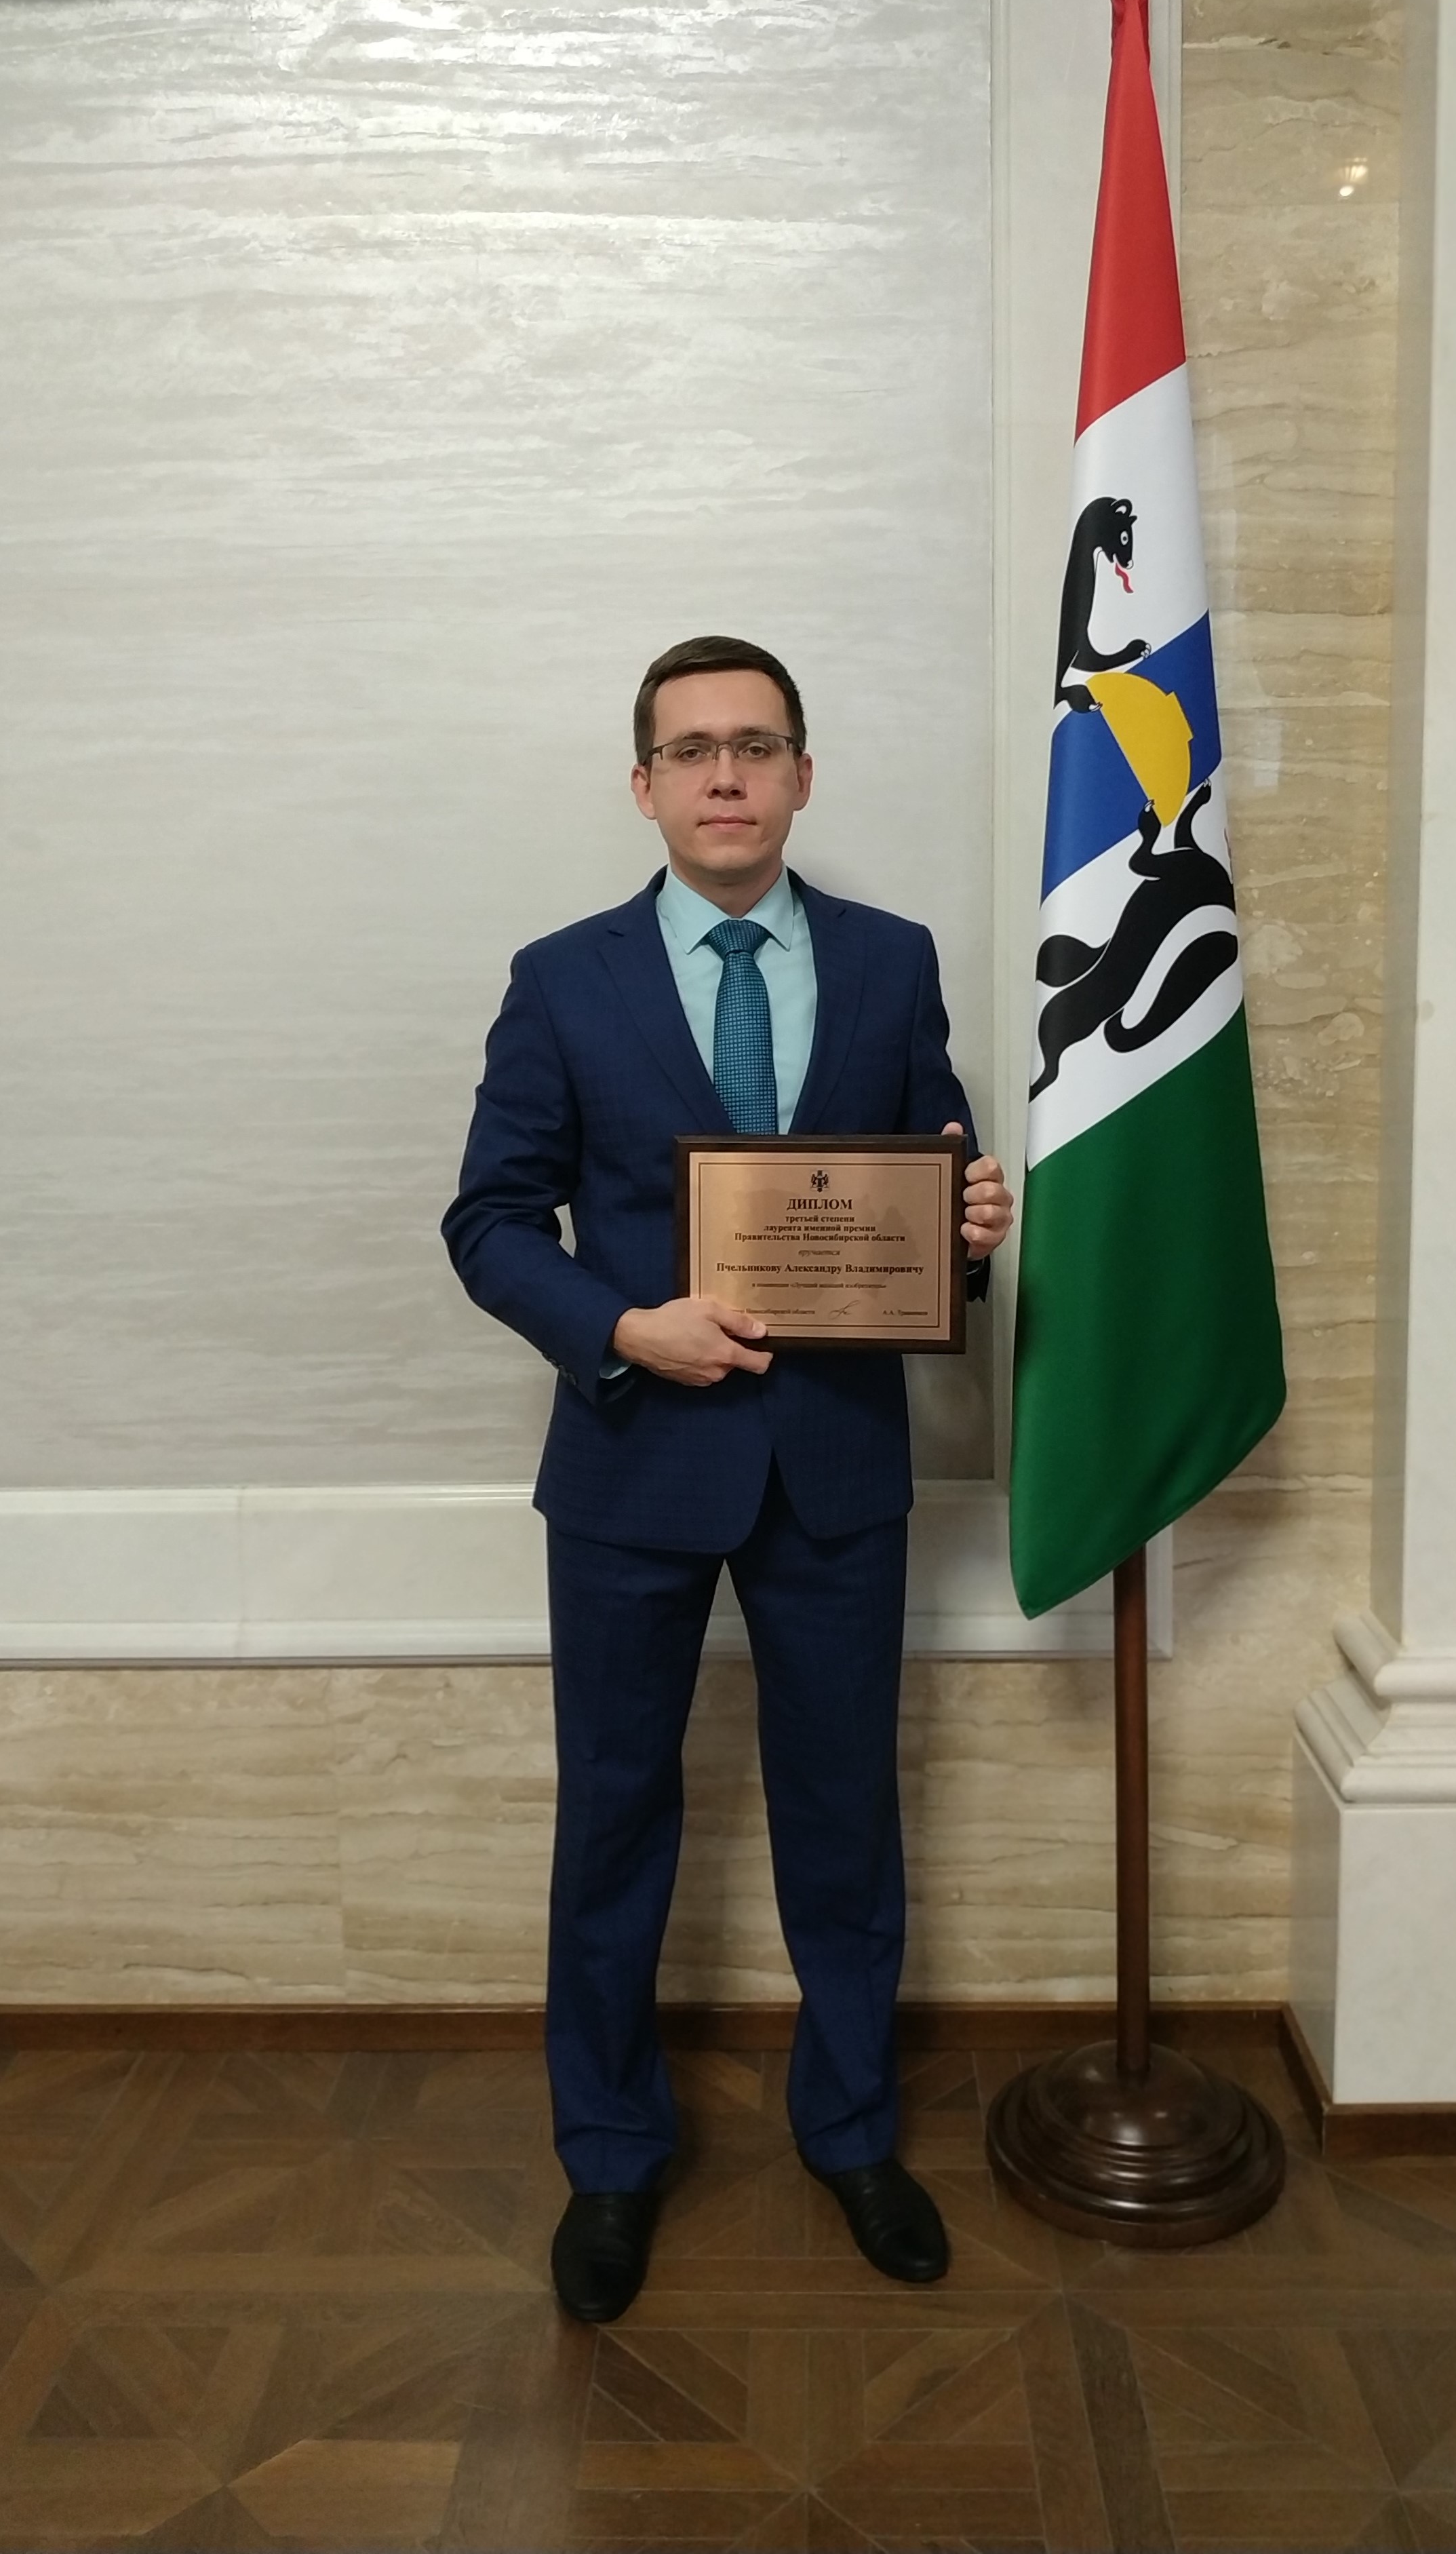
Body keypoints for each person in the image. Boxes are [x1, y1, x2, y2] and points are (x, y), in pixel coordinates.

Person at [442, 634, 1013, 2322]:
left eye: (756, 746)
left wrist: (971, 1229)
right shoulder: (565, 978)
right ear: (645, 785)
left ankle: (852, 2130)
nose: (726, 776)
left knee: (844, 1813)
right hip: (634, 1461)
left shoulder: (895, 962)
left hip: (836, 1463)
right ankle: (612, 2156)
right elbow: (489, 1220)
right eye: (692, 750)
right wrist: (624, 1324)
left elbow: (927, 1189)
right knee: (617, 1812)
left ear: (803, 775)